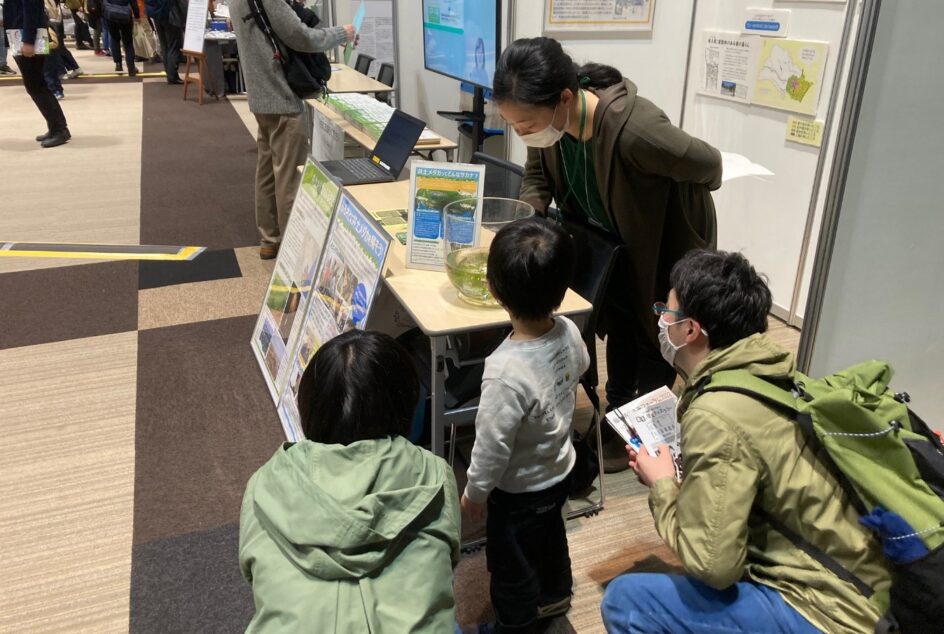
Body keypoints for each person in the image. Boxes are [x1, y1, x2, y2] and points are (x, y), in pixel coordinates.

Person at [600, 249, 893, 634]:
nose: (660, 321)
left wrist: (663, 485)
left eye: (666, 313)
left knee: (627, 602)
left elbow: (713, 567)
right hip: (872, 586)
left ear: (690, 330)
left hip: (833, 613)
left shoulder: (716, 414)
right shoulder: (773, 372)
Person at [492, 37, 723, 470]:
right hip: (611, 246)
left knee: (654, 335)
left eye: (525, 124)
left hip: (661, 249)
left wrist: (681, 219)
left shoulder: (635, 130)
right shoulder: (553, 126)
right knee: (619, 326)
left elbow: (709, 164)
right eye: (514, 125)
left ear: (564, 98)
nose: (523, 133)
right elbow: (537, 174)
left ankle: (645, 433)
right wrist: (530, 218)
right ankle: (616, 417)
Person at [239, 330, 461, 633]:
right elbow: (446, 563)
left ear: (309, 408)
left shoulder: (264, 485)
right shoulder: (434, 475)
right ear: (408, 406)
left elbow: (256, 577)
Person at [461, 218, 589, 633]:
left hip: (516, 492)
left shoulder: (503, 371)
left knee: (511, 561)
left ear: (494, 291)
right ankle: (556, 594)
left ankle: (514, 623)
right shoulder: (569, 330)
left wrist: (475, 493)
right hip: (559, 471)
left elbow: (491, 446)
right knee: (552, 534)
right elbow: (583, 366)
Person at [229, 0, 353, 259]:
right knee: (290, 178)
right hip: (282, 96)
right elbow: (299, 36)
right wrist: (342, 33)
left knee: (267, 171)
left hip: (261, 95)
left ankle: (270, 239)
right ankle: (295, 251)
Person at [4, 0, 71, 146]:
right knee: (36, 85)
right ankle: (56, 127)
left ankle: (59, 129)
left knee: (36, 85)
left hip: (28, 35)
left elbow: (32, 10)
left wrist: (28, 40)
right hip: (20, 33)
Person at [151, 0, 183, 83]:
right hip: (169, 14)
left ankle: (169, 73)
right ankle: (173, 76)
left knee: (164, 45)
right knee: (174, 45)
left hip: (156, 14)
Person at [102, 0, 137, 74]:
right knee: (128, 43)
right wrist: (137, 15)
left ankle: (118, 64)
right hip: (125, 15)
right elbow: (133, 2)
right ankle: (131, 68)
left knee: (115, 39)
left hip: (110, 15)